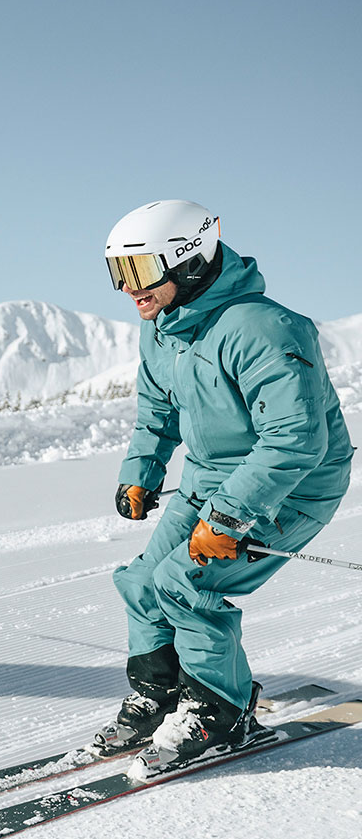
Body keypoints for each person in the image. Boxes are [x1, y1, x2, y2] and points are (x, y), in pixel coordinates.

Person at [93, 200, 352, 774]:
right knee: (142, 580)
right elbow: (157, 411)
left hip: (293, 486)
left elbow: (295, 440)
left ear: (188, 262)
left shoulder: (264, 328)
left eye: (139, 270)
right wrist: (141, 472)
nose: (127, 288)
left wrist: (231, 516)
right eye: (119, 272)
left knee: (184, 581)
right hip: (210, 480)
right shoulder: (162, 329)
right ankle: (161, 694)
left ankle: (219, 709)